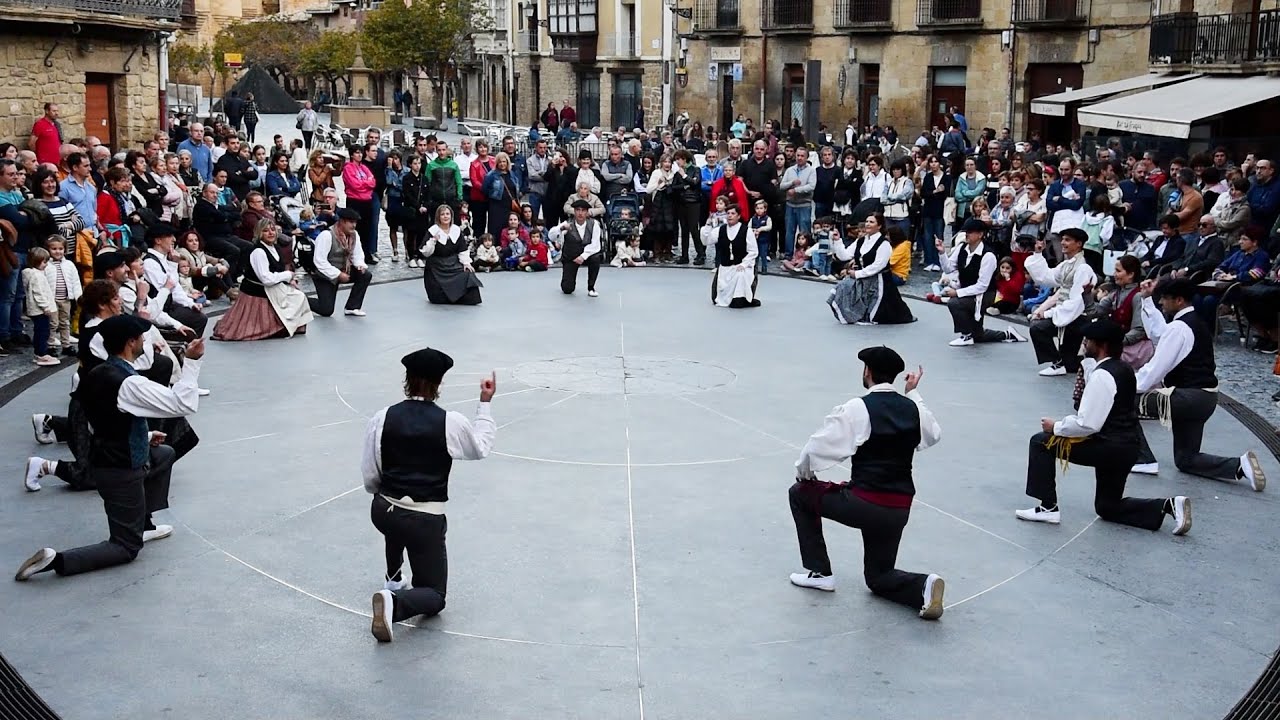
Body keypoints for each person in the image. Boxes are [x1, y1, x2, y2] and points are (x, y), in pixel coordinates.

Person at [15, 314, 204, 581]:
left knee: (165, 453)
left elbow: (104, 420)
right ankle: (55, 560)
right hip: (119, 469)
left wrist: (145, 435)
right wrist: (193, 362)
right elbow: (182, 405)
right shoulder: (129, 383)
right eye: (141, 338)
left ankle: (143, 523)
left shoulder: (99, 372)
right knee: (125, 548)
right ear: (131, 342)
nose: (144, 342)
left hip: (108, 456)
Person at [787, 346, 946, 620]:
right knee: (879, 577)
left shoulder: (859, 407)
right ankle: (924, 585)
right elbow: (933, 434)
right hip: (899, 509)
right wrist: (913, 394)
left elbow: (816, 448)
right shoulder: (912, 409)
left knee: (799, 493)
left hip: (864, 503)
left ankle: (819, 572)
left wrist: (804, 474)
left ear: (867, 371)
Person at [363, 348, 497, 642]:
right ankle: (394, 604)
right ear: (439, 384)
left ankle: (394, 579)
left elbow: (371, 475)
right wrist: (484, 404)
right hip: (424, 520)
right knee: (435, 597)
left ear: (407, 380)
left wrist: (383, 495)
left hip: (383, 510)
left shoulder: (382, 417)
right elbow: (480, 448)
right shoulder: (450, 422)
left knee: (394, 516)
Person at [1016, 318, 1193, 534]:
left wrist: (1055, 427)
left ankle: (1047, 507)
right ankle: (1168, 505)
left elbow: (1087, 423)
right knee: (1107, 507)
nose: (1084, 343)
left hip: (1109, 447)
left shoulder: (1103, 375)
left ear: (1101, 345)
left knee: (1040, 442)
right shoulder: (1124, 369)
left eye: (1088, 340)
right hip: (1127, 447)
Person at [1130, 278, 1267, 489]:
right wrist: (1147, 300)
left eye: (1164, 299)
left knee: (1123, 401)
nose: (1161, 303)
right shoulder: (1193, 322)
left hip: (1188, 398)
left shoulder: (1179, 327)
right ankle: (1239, 466)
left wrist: (1124, 385)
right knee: (1186, 459)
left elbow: (1154, 371)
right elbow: (1159, 335)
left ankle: (1143, 459)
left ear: (1179, 300)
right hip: (1207, 399)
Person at [212, 219, 313, 340]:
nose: (270, 233)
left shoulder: (275, 248)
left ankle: (296, 326)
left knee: (298, 296)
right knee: (296, 297)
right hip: (258, 290)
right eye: (266, 231)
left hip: (272, 287)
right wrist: (287, 275)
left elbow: (279, 270)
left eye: (272, 230)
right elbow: (266, 278)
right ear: (259, 233)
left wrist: (289, 279)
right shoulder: (258, 252)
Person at [938, 218, 1026, 346]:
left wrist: (957, 292)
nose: (966, 234)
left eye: (970, 232)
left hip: (986, 295)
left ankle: (966, 335)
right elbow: (948, 268)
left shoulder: (988, 255)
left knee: (955, 303)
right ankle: (1008, 335)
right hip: (969, 291)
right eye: (966, 231)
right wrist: (942, 252)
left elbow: (982, 286)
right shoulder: (961, 247)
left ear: (980, 234)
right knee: (979, 335)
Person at [827, 213, 915, 325]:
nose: (867, 224)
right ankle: (851, 314)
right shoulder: (861, 241)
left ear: (879, 226)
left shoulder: (884, 244)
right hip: (862, 277)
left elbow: (878, 266)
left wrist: (858, 273)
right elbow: (844, 255)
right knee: (842, 286)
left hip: (878, 280)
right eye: (867, 221)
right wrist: (838, 241)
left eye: (871, 222)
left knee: (880, 313)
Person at [309, 208, 372, 318]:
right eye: (351, 222)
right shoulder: (327, 235)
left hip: (344, 270)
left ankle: (352, 307)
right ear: (342, 222)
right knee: (326, 310)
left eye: (355, 222)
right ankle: (301, 299)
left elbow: (357, 254)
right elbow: (319, 261)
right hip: (324, 275)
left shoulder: (354, 235)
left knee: (365, 275)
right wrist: (338, 274)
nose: (354, 225)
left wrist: (360, 265)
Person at [422, 205, 483, 305]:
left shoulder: (456, 230)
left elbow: (462, 249)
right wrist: (433, 241)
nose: (445, 216)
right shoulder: (433, 231)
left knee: (468, 274)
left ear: (451, 216)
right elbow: (426, 252)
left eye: (447, 214)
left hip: (453, 263)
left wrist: (466, 263)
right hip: (437, 266)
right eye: (442, 214)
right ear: (438, 217)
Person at [548, 198, 603, 297]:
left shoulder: (594, 224)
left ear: (587, 212)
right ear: (574, 211)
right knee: (567, 289)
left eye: (583, 210)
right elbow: (551, 236)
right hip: (571, 257)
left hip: (586, 256)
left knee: (595, 258)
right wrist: (561, 228)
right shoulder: (567, 224)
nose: (580, 213)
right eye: (578, 210)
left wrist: (583, 256)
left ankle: (591, 287)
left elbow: (595, 244)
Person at [710, 204, 760, 308]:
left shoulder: (746, 231)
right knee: (716, 299)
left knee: (740, 276)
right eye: (728, 213)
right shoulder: (720, 230)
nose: (730, 216)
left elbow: (753, 251)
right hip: (725, 267)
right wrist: (708, 226)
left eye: (733, 213)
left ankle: (742, 298)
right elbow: (706, 240)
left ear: (738, 216)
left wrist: (745, 264)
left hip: (740, 267)